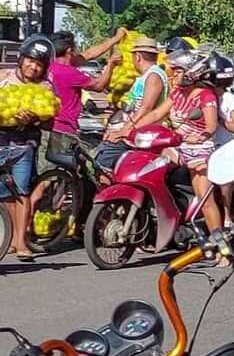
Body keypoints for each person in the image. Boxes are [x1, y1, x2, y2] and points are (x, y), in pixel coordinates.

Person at [133, 53, 223, 238]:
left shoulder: (206, 96)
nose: (172, 74)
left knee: (205, 199)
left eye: (177, 71)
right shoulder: (177, 93)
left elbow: (211, 126)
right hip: (176, 145)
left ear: (191, 73)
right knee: (149, 170)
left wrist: (200, 136)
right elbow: (157, 113)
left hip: (200, 150)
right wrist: (131, 129)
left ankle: (219, 243)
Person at [0, 36, 54, 261]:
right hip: (1, 141)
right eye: (31, 61)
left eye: (39, 64)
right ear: (21, 60)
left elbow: (50, 121)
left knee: (22, 191)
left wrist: (35, 118)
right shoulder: (4, 78)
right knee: (4, 195)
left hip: (26, 145)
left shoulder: (45, 87)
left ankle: (21, 242)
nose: (34, 67)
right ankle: (9, 238)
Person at [46, 30, 123, 167]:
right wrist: (110, 64)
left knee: (48, 172)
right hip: (63, 129)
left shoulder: (49, 66)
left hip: (48, 126)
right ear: (70, 50)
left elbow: (88, 54)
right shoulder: (69, 72)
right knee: (58, 173)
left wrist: (115, 39)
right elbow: (99, 85)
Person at [96, 37, 169, 175]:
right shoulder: (145, 76)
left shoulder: (154, 75)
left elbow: (146, 108)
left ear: (138, 57)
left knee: (104, 160)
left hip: (142, 133)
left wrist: (123, 131)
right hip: (132, 131)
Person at [211, 55, 234, 227]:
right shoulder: (202, 96)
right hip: (204, 146)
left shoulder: (229, 99)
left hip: (223, 146)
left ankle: (226, 215)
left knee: (224, 183)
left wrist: (217, 120)